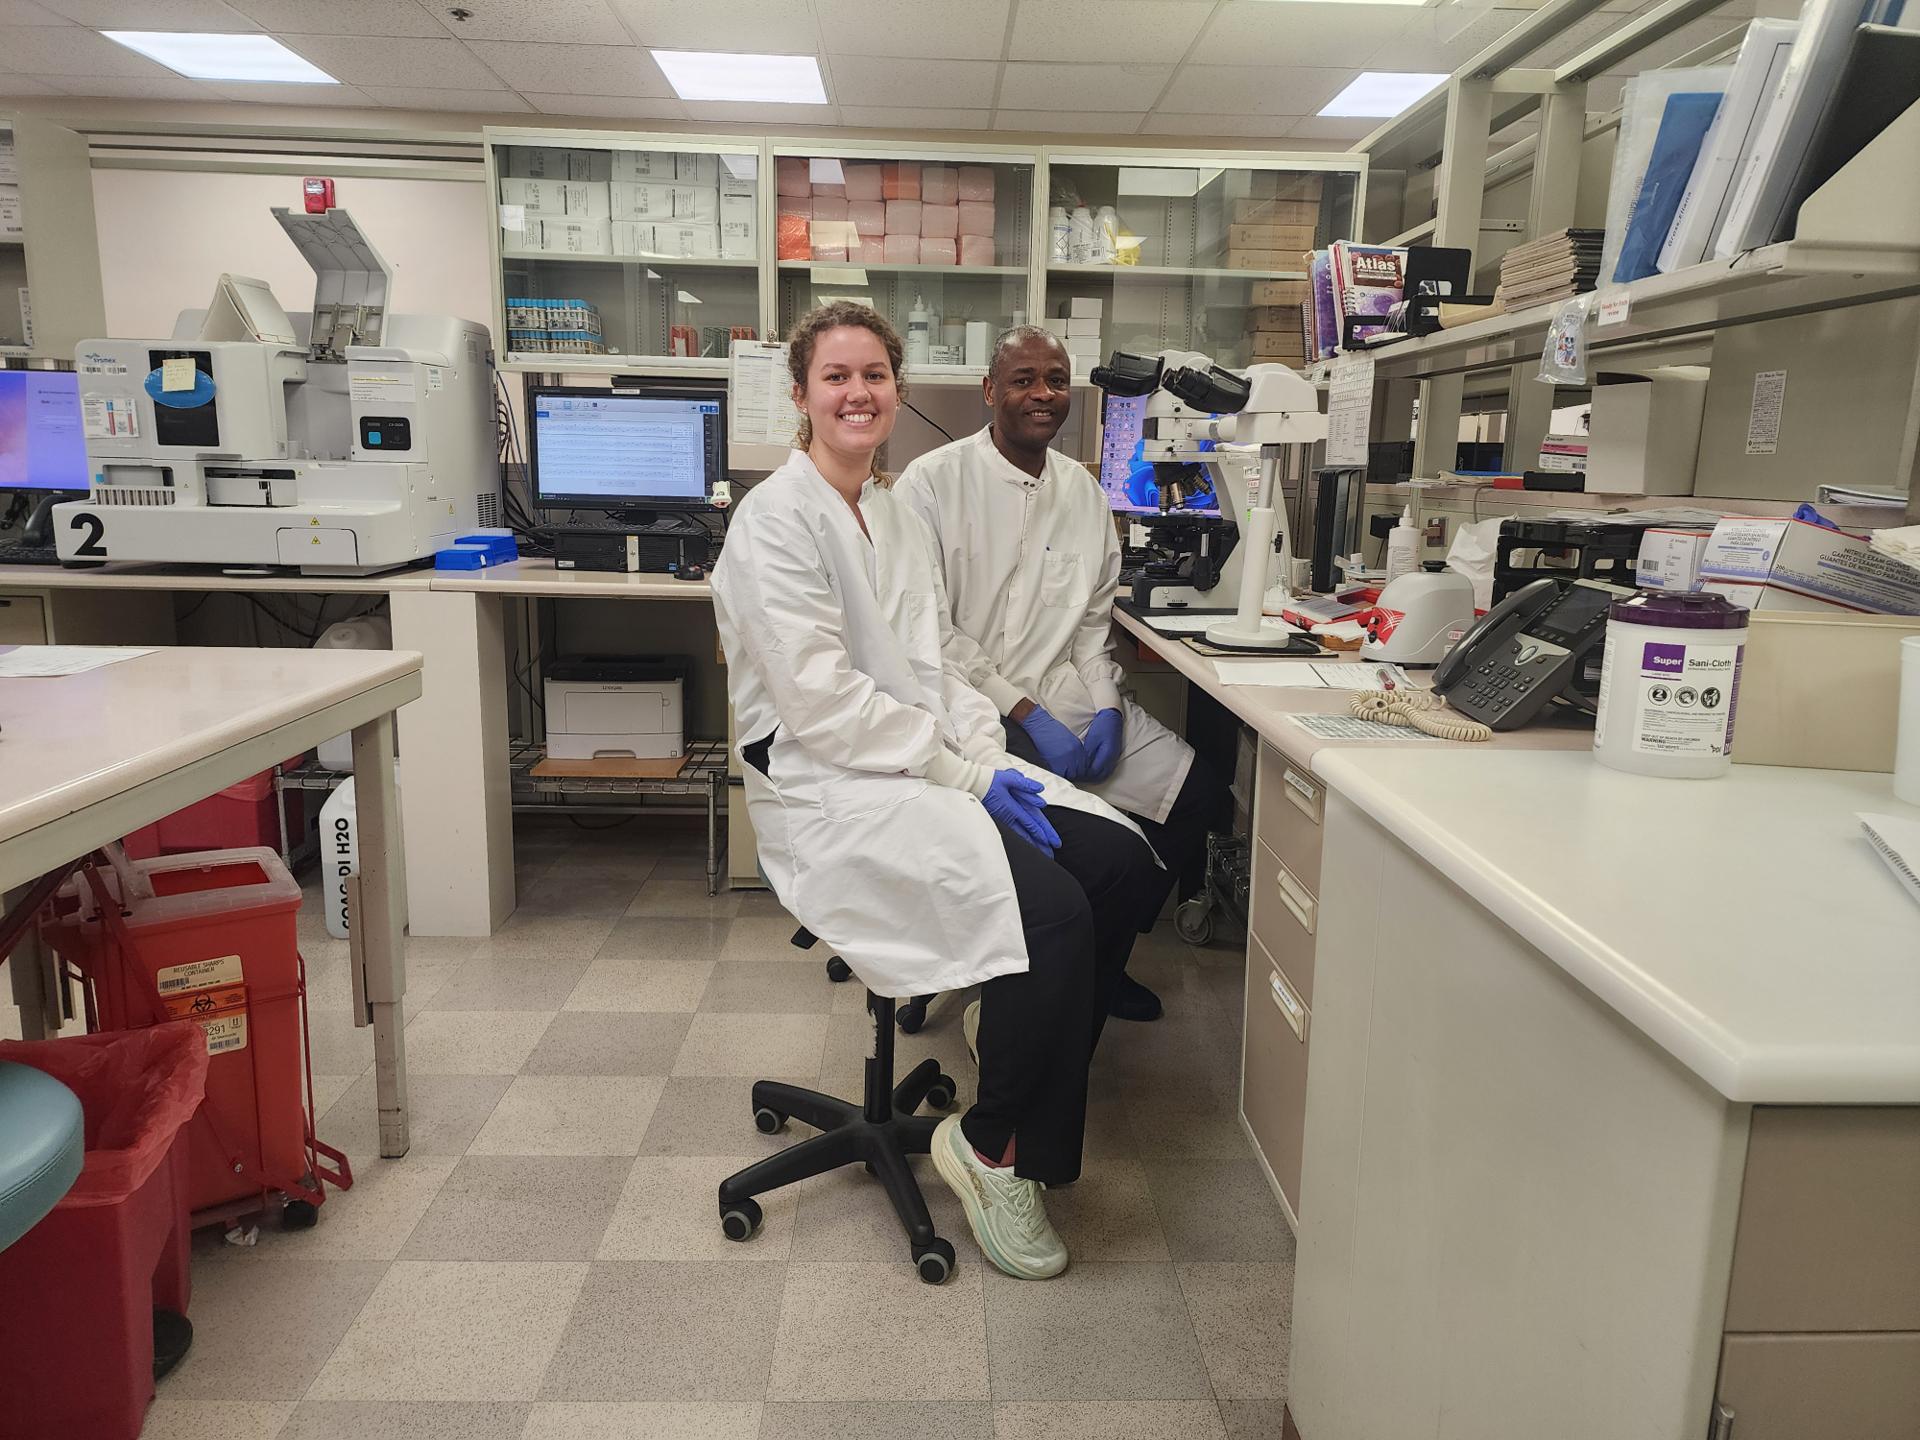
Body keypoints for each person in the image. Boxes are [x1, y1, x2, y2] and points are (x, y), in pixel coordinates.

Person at [710, 301, 1161, 1282]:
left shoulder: (894, 515)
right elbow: (824, 705)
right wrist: (963, 774)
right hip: (827, 790)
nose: (857, 392)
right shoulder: (775, 523)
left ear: (898, 389)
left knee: (1123, 866)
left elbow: (934, 665)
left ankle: (1020, 1075)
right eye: (835, 376)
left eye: (874, 374)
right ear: (801, 396)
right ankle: (995, 1145)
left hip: (922, 762)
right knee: (1050, 916)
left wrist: (987, 753)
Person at [897, 326, 1229, 1022]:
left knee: (1199, 794)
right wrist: (1021, 711)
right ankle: (1028, 970)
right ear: (990, 391)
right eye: (1022, 379)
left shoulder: (1083, 494)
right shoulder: (932, 483)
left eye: (1055, 379)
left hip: (1067, 697)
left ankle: (1104, 966)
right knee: (1094, 850)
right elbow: (930, 630)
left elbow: (1088, 625)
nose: (1041, 394)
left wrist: (1106, 704)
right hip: (972, 710)